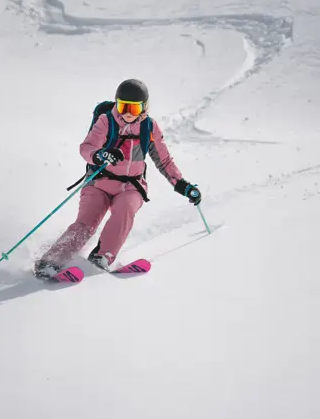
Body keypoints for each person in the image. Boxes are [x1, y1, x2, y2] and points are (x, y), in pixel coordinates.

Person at [34, 79, 202, 277]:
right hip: (99, 182)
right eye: (122, 106)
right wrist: (101, 155)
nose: (128, 113)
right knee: (86, 223)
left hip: (131, 186)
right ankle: (51, 260)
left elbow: (164, 160)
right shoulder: (106, 121)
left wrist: (181, 185)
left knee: (125, 210)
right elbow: (86, 148)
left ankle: (102, 256)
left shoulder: (149, 127)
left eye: (133, 107)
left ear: (144, 107)